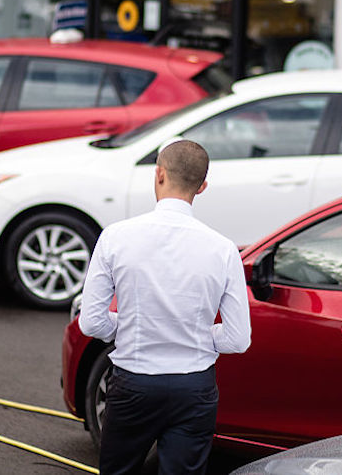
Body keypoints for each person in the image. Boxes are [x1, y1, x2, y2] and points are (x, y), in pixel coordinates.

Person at [79, 139, 252, 475]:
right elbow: (237, 339)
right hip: (194, 388)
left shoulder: (116, 237)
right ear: (202, 187)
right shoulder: (223, 249)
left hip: (134, 382)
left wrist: (128, 325)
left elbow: (91, 323)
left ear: (158, 175)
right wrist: (200, 334)